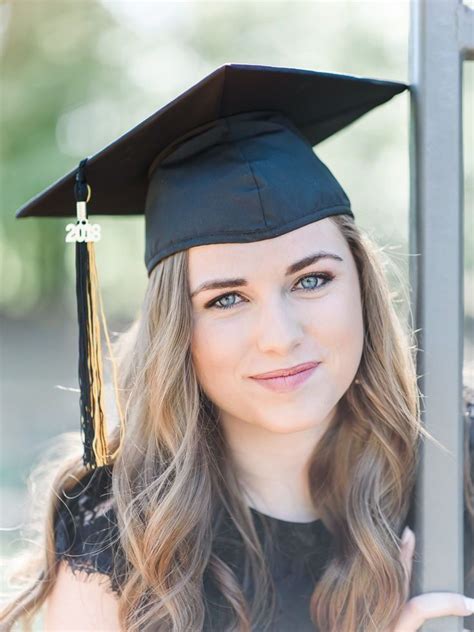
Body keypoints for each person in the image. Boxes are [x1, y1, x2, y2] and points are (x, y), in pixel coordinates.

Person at [0, 63, 473, 632]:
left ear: (364, 287)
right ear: (178, 329)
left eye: (312, 280)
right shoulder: (120, 539)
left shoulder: (458, 464)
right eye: (226, 299)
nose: (281, 336)